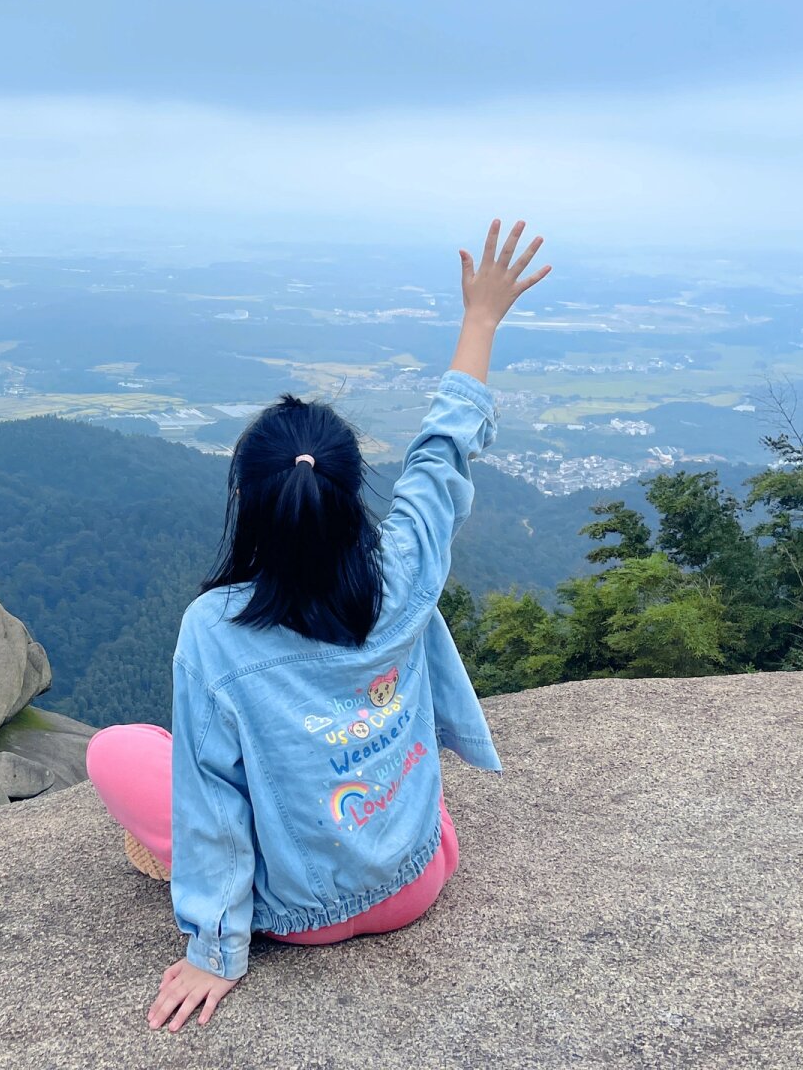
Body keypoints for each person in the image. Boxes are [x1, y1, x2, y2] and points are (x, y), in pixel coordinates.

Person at [86, 217, 552, 1033]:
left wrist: (214, 951)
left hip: (302, 917)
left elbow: (214, 804)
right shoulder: (403, 569)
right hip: (422, 869)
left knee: (116, 751)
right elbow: (442, 458)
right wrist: (480, 321)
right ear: (350, 495)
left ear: (247, 506)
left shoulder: (215, 632)